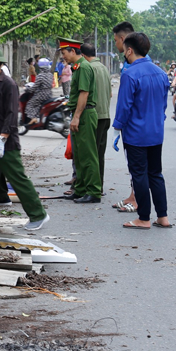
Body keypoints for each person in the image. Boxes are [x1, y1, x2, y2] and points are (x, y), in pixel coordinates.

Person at [0, 45, 49, 230]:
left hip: (6, 144)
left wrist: (3, 138)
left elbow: (12, 114)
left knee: (18, 179)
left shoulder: (8, 84)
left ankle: (38, 215)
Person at [112, 32, 172, 230]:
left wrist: (117, 127)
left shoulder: (130, 74)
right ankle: (162, 216)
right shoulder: (161, 73)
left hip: (136, 134)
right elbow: (163, 105)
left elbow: (124, 106)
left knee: (139, 175)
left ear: (129, 50)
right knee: (156, 173)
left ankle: (144, 218)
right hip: (156, 132)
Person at [59, 38, 101, 204]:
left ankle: (94, 191)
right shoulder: (77, 68)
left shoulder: (83, 67)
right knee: (80, 155)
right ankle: (81, 189)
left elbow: (84, 94)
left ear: (73, 51)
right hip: (79, 114)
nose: (63, 57)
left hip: (84, 115)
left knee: (88, 155)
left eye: (64, 53)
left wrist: (76, 117)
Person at [110, 21, 138, 212]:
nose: (115, 45)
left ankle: (137, 200)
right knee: (132, 163)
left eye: (115, 41)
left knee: (138, 165)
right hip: (131, 123)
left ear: (122, 39)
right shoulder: (127, 63)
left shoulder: (136, 64)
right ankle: (132, 195)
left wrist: (119, 124)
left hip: (136, 123)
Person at [82, 44, 112, 191]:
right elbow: (110, 93)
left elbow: (84, 93)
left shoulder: (88, 68)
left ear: (83, 56)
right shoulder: (104, 68)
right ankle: (98, 186)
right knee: (100, 153)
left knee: (91, 154)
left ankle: (92, 187)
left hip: (94, 115)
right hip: (105, 114)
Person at [24, 58, 54, 125]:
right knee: (37, 105)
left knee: (30, 104)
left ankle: (33, 118)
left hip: (41, 95)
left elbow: (34, 87)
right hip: (49, 94)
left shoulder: (40, 76)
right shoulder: (50, 75)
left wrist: (28, 90)